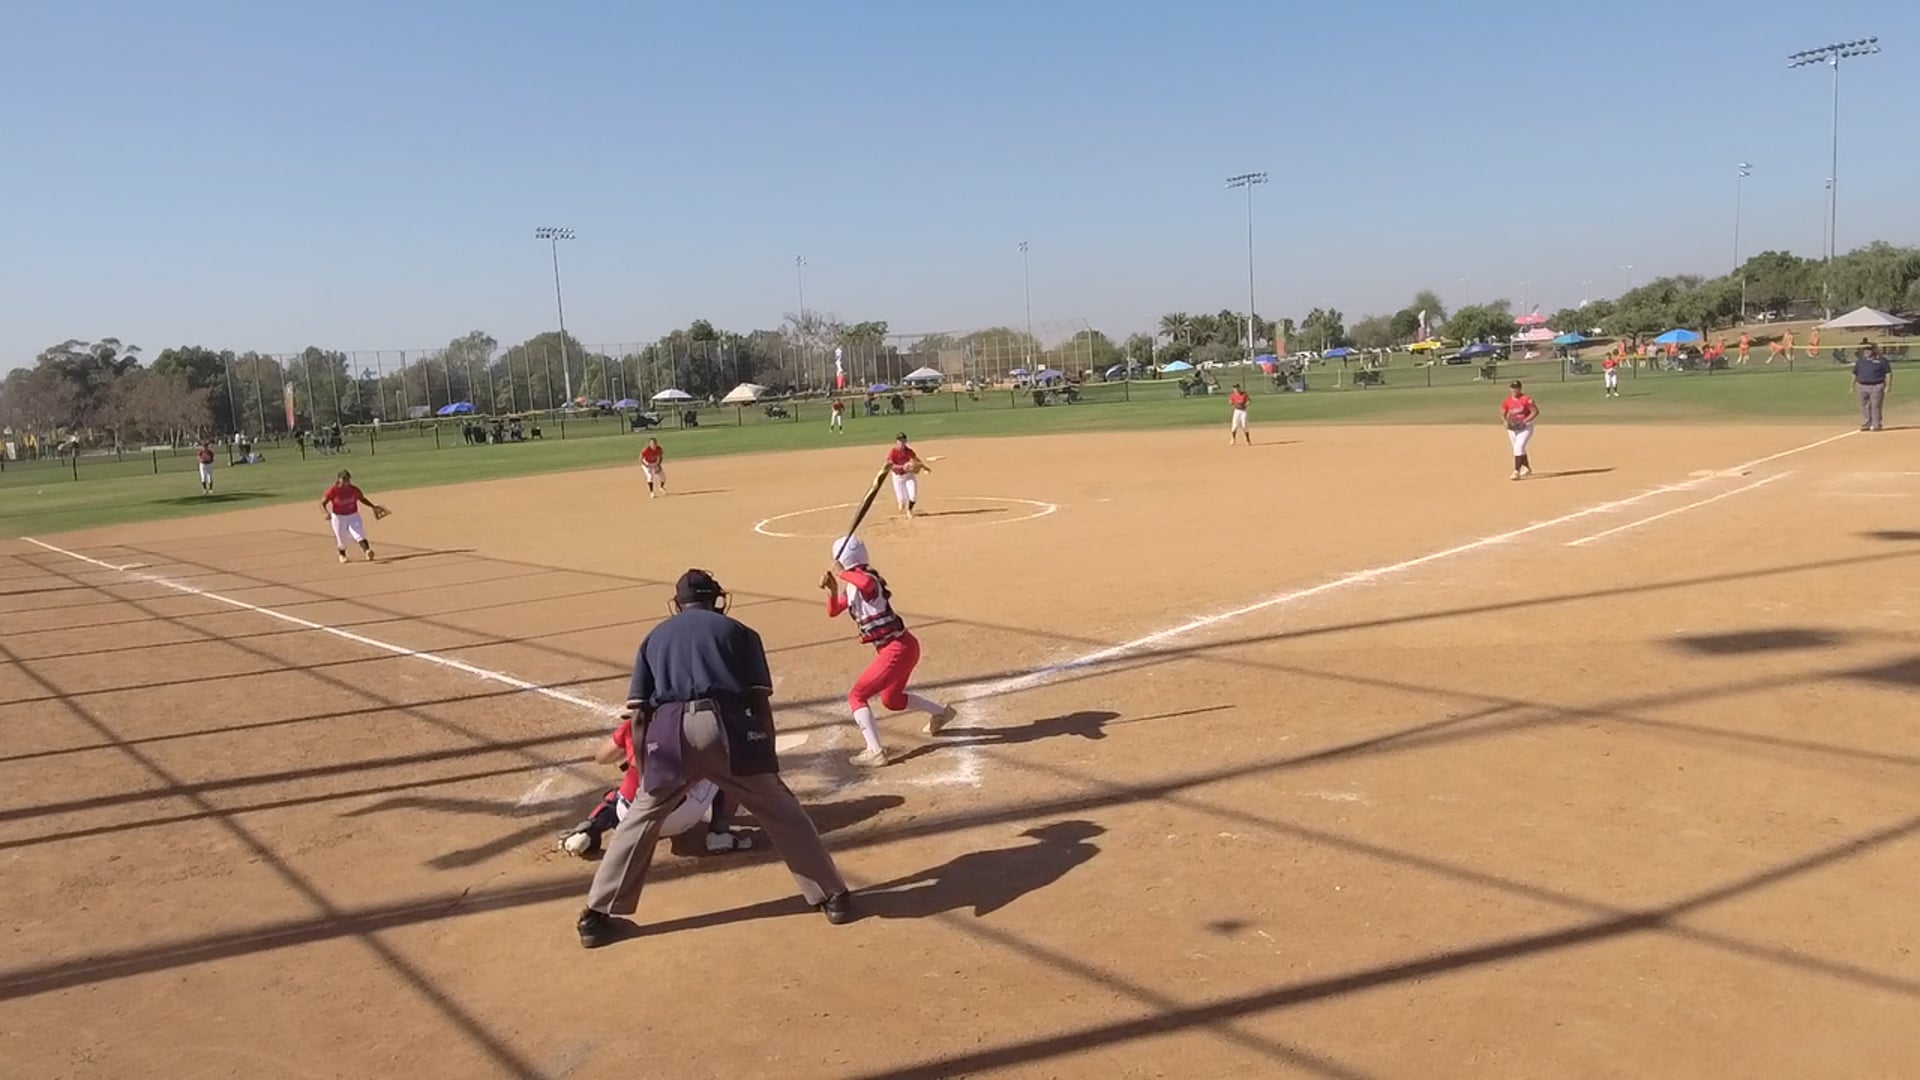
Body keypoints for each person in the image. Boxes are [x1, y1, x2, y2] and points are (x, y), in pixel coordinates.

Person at [578, 569, 854, 948]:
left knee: (640, 818)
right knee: (781, 809)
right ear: (717, 599)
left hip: (668, 734)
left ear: (678, 604)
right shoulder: (739, 632)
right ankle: (833, 896)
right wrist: (764, 757)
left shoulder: (654, 637)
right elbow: (759, 700)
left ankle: (595, 916)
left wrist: (647, 767)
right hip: (727, 728)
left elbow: (639, 712)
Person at [822, 535, 956, 767]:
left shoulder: (868, 580)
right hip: (901, 648)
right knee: (891, 700)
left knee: (856, 696)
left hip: (896, 650)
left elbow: (866, 585)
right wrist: (833, 589)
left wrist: (840, 573)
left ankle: (875, 751)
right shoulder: (853, 586)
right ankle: (941, 712)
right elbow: (833, 611)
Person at [559, 716, 752, 858]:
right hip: (681, 817)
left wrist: (630, 748)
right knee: (727, 768)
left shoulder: (636, 723)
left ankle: (588, 830)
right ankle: (719, 833)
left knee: (621, 793)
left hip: (632, 819)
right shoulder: (699, 725)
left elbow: (602, 757)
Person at [319, 469, 387, 563]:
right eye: (344, 479)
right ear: (339, 479)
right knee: (341, 537)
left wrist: (372, 506)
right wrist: (325, 513)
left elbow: (362, 499)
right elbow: (322, 503)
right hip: (338, 517)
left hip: (353, 515)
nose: (346, 481)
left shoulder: (354, 489)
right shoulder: (333, 490)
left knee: (359, 533)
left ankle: (367, 551)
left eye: (347, 479)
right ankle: (342, 555)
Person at [885, 433, 931, 517]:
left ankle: (909, 510)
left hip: (908, 476)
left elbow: (917, 460)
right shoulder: (893, 452)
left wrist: (925, 468)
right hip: (898, 477)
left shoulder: (909, 451)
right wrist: (902, 466)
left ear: (906, 441)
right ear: (896, 441)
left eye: (903, 440)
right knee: (902, 501)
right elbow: (890, 465)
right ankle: (901, 503)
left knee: (913, 496)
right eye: (899, 440)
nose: (901, 442)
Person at [1500, 380, 1539, 480]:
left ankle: (1516, 471)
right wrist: (1505, 422)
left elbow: (1535, 411)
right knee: (1518, 448)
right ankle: (1527, 468)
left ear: (1520, 389)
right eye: (1513, 388)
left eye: (1516, 388)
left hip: (1525, 427)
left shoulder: (1526, 399)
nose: (1514, 390)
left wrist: (1525, 420)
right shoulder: (1507, 400)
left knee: (1519, 446)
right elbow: (1503, 413)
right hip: (1513, 428)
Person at [1851, 343, 1893, 432]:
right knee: (1864, 405)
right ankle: (1866, 423)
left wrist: (1888, 386)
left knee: (1875, 405)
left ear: (1873, 350)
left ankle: (1876, 424)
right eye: (1865, 350)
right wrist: (1852, 386)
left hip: (1877, 385)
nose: (1867, 351)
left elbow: (1888, 374)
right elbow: (1854, 373)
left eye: (1869, 350)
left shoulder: (1881, 360)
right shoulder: (1860, 361)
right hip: (1862, 386)